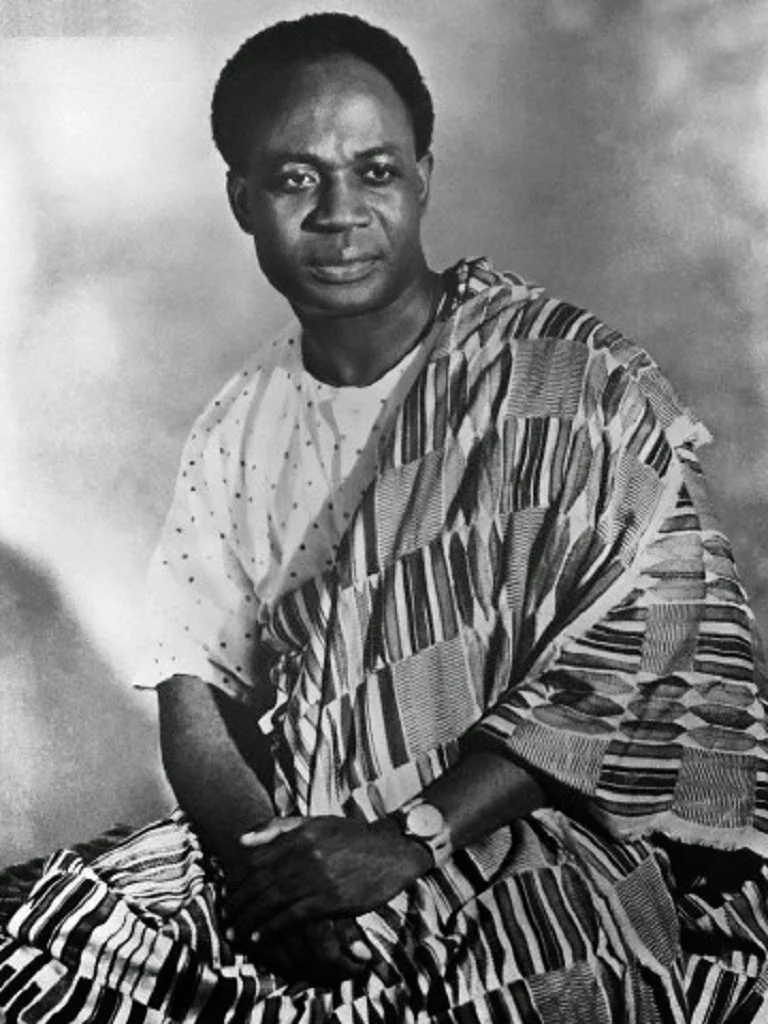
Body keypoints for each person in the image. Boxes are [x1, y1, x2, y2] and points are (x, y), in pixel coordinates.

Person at [1, 11, 767, 1023]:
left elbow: (640, 650)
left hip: (529, 832)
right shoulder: (237, 430)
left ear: (423, 179)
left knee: (549, 983)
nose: (341, 213)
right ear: (242, 198)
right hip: (301, 836)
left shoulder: (566, 378)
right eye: (296, 178)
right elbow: (194, 704)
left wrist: (411, 841)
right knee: (39, 940)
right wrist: (276, 877)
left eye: (375, 172)